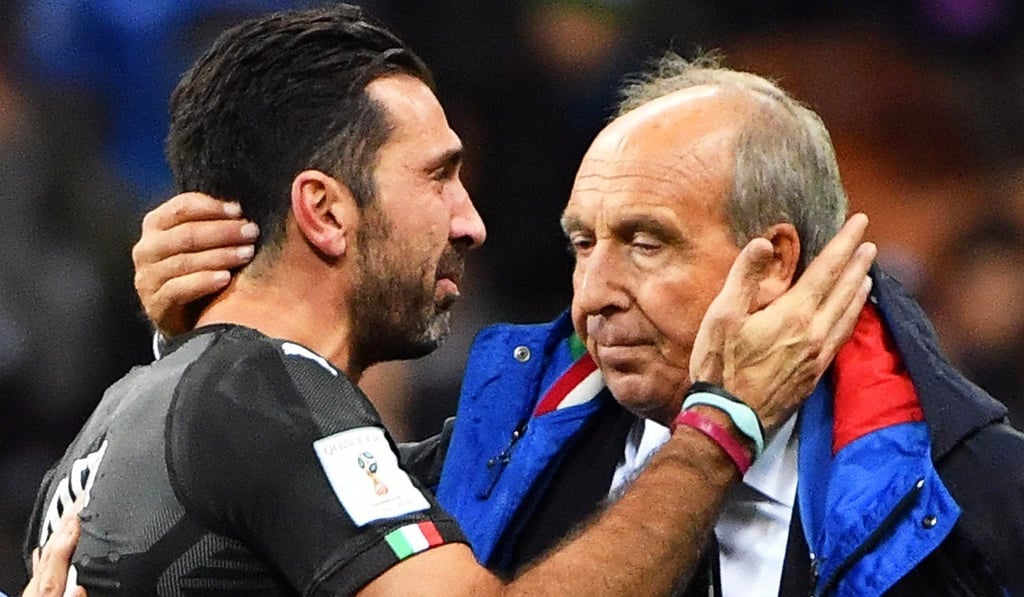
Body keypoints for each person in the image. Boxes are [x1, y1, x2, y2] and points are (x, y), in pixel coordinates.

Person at [24, 7, 875, 596]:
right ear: (325, 210)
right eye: (438, 176)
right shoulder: (263, 396)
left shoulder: (123, 416)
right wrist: (719, 428)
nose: (470, 221)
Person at [134, 52, 1024, 596]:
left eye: (644, 243)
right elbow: (280, 536)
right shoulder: (497, 447)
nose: (591, 292)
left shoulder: (978, 499)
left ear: (776, 262)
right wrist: (207, 352)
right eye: (581, 244)